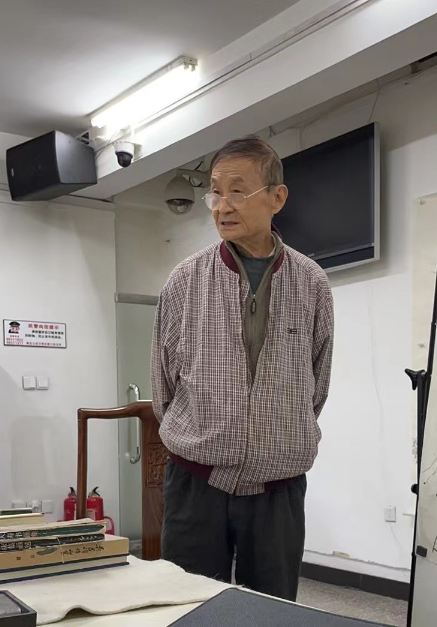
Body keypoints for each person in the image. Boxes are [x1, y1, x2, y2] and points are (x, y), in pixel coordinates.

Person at [151, 135, 334, 601]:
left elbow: (315, 385)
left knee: (270, 611)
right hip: (196, 482)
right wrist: (204, 437)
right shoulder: (185, 280)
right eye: (215, 192)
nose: (223, 205)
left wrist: (278, 434)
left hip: (278, 487)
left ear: (277, 197)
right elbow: (164, 384)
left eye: (237, 191)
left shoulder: (311, 282)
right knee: (189, 606)